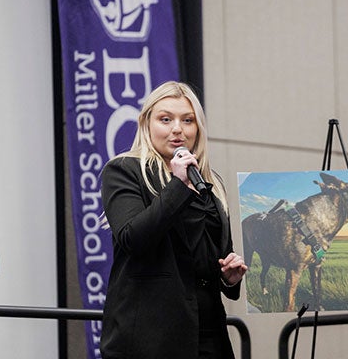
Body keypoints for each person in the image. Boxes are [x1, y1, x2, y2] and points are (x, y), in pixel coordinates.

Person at [100, 81, 248, 359]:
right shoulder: (123, 170)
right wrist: (177, 185)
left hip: (208, 335)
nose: (177, 129)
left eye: (188, 120)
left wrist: (228, 277)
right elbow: (133, 238)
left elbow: (205, 258)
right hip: (149, 338)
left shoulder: (211, 183)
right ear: (146, 124)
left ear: (198, 129)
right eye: (165, 119)